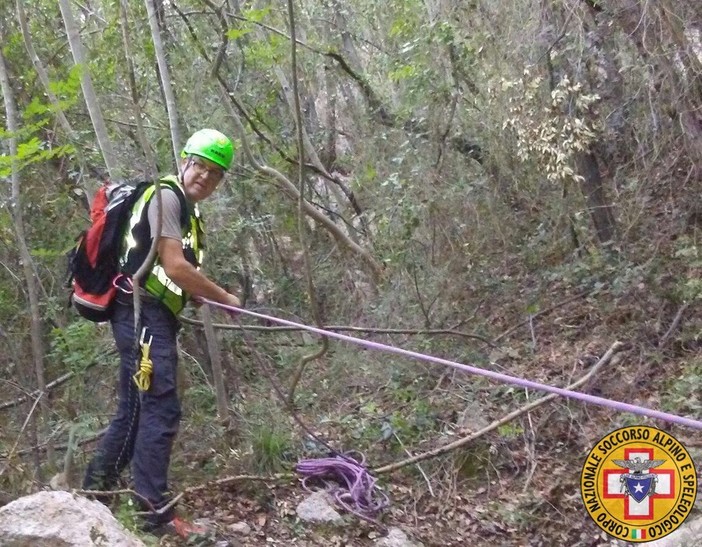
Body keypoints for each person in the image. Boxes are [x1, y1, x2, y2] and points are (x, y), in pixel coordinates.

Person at [82, 129, 241, 539]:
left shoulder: (188, 211)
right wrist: (222, 296)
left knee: (136, 406)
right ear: (185, 160)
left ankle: (94, 491)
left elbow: (173, 273)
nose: (204, 177)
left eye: (214, 173)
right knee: (161, 406)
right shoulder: (168, 197)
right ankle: (155, 514)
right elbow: (174, 266)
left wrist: (198, 294)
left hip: (148, 313)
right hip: (141, 312)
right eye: (200, 166)